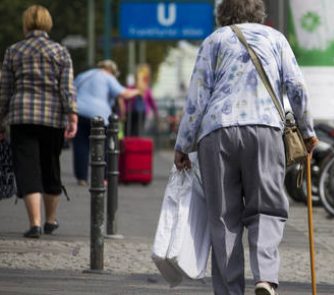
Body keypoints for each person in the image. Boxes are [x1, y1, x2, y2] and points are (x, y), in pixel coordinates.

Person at [173, 0, 318, 294]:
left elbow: (197, 96)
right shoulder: (275, 39)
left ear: (222, 14)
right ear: (259, 13)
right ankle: (265, 277)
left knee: (224, 216)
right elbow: (296, 86)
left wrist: (183, 144)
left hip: (217, 131)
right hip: (265, 128)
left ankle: (230, 290)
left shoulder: (214, 41)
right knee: (267, 208)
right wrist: (307, 130)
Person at [0, 5, 78, 238]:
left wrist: (1, 119)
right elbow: (67, 88)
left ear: (25, 25)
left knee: (27, 169)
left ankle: (34, 223)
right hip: (52, 117)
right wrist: (72, 114)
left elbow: (4, 89)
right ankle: (51, 220)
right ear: (48, 24)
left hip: (21, 116)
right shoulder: (60, 52)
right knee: (50, 165)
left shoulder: (13, 51)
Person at [72, 60, 139, 186]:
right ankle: (103, 178)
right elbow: (124, 93)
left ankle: (82, 177)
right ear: (112, 71)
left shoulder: (83, 75)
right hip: (100, 115)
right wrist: (138, 91)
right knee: (104, 146)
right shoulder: (108, 77)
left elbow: (71, 91)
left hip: (79, 112)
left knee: (81, 145)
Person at [120, 64, 158, 136]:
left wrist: (122, 112)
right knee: (138, 132)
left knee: (130, 131)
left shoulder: (131, 88)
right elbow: (152, 102)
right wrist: (155, 112)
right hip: (138, 112)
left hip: (131, 112)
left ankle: (131, 145)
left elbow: (124, 99)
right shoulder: (145, 90)